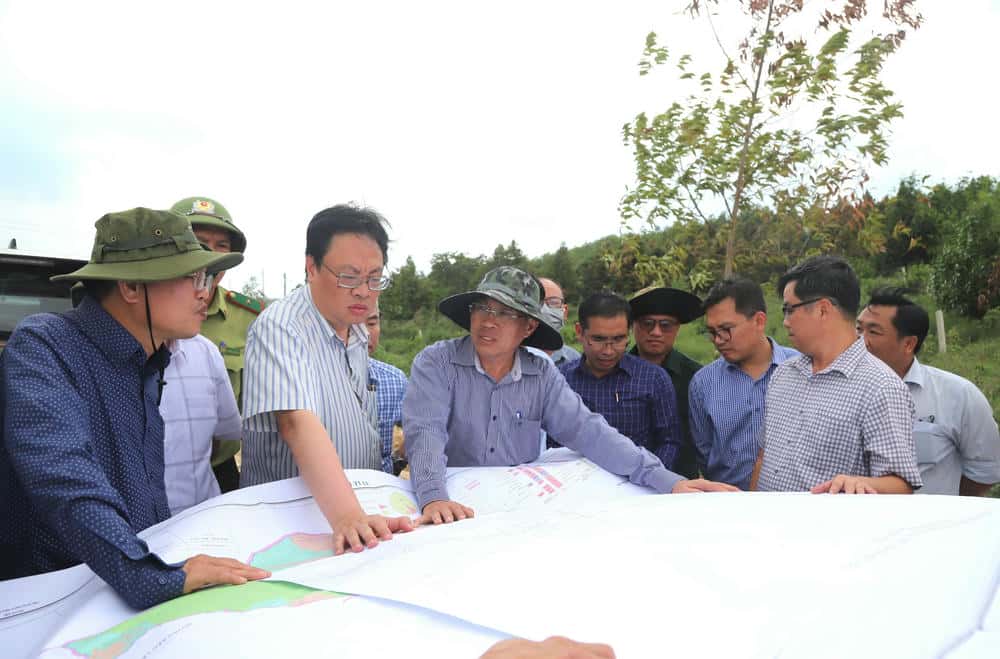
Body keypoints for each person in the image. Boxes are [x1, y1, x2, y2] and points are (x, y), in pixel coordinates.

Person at [0, 208, 269, 608]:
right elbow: (68, 481)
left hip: (120, 596)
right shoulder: (45, 347)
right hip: (52, 606)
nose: (205, 292)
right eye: (193, 277)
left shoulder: (148, 361)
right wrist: (150, 576)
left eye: (209, 278)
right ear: (129, 285)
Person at [403, 266, 738, 524]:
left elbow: (589, 431)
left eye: (505, 313)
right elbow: (425, 433)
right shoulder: (437, 363)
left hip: (514, 511)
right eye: (483, 309)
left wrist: (667, 481)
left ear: (529, 328)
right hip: (455, 503)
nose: (489, 322)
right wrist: (433, 497)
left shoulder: (541, 373)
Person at [241, 204, 414, 552]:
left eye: (375, 277)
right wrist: (348, 517)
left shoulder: (356, 330)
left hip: (354, 514)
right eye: (349, 277)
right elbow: (296, 422)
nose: (364, 291)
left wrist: (357, 513)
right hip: (292, 524)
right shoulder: (281, 328)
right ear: (311, 267)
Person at [750, 256, 922, 494]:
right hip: (767, 527)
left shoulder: (881, 387)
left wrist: (863, 484)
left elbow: (901, 485)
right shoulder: (784, 374)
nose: (785, 322)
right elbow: (763, 457)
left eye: (790, 310)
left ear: (823, 309)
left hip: (829, 529)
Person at [857, 287, 1000, 495]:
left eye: (873, 332)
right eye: (858, 329)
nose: (860, 340)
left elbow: (985, 471)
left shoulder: (958, 395)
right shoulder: (839, 391)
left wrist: (946, 507)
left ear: (908, 344)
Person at [170, 196, 263, 493]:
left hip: (217, 472)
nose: (211, 254)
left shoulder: (250, 318)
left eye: (222, 246)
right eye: (199, 242)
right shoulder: (145, 312)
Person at [689, 278, 798, 489]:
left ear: (759, 321)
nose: (719, 340)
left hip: (790, 502)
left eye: (726, 329)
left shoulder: (800, 370)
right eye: (712, 332)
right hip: (727, 505)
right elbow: (704, 452)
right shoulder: (703, 384)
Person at [559, 291, 682, 469]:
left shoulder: (653, 379)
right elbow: (550, 443)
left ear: (628, 333)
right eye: (599, 339)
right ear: (579, 332)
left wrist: (652, 478)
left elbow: (670, 441)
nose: (608, 351)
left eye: (618, 339)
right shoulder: (561, 381)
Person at [159, 333, 242, 514]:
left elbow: (223, 434)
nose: (203, 302)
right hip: (130, 533)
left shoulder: (204, 351)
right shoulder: (89, 360)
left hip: (203, 521)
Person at [628, 286, 704, 479]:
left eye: (666, 325)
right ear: (633, 325)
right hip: (624, 480)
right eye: (647, 323)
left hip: (681, 484)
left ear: (677, 328)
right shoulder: (613, 371)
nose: (656, 332)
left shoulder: (697, 377)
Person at [366, 306, 408, 474]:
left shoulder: (395, 381)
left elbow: (418, 434)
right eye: (353, 324)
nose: (365, 333)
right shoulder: (307, 379)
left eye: (371, 323)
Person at [537, 277, 581, 365]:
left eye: (553, 302)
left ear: (565, 312)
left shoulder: (575, 361)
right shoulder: (507, 359)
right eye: (537, 303)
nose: (544, 310)